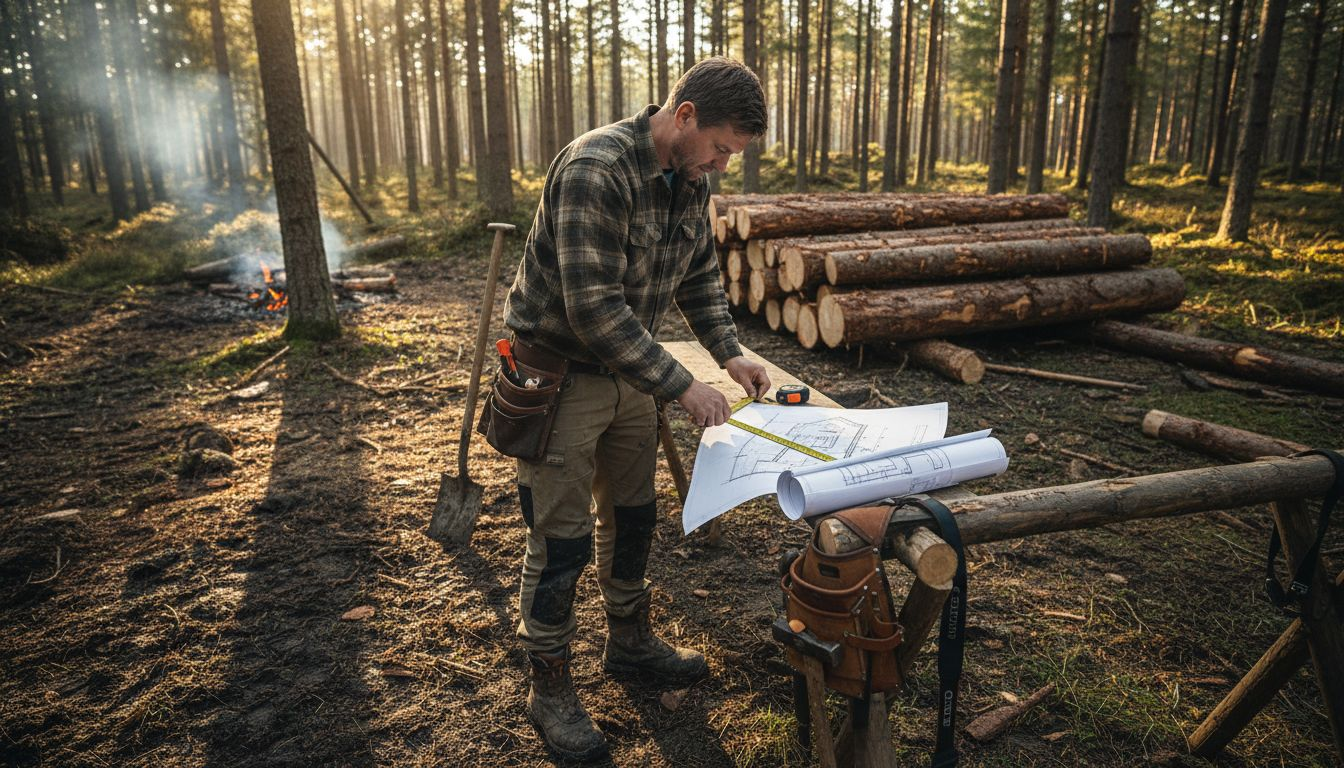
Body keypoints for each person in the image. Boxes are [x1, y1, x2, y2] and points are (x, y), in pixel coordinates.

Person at [500, 57, 770, 761]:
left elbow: (701, 275)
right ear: (683, 117)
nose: (719, 166)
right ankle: (550, 684)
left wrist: (729, 351)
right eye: (718, 148)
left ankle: (630, 641)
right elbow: (593, 308)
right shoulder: (598, 168)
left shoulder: (689, 180)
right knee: (560, 540)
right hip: (557, 375)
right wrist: (684, 385)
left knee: (633, 514)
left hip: (631, 372)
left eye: (731, 157)